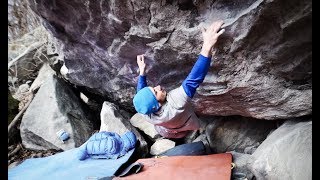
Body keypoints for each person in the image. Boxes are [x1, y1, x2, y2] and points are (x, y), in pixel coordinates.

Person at [133, 20, 225, 138]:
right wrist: (207, 47)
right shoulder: (176, 103)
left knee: (173, 128)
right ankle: (185, 133)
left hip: (166, 126)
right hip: (184, 120)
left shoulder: (146, 111)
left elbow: (141, 95)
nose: (158, 87)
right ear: (158, 105)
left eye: (154, 88)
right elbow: (193, 80)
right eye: (156, 92)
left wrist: (142, 72)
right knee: (185, 127)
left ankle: (177, 133)